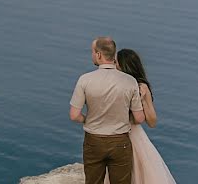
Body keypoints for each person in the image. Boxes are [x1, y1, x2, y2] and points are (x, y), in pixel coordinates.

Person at [69, 37, 145, 184]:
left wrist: (86, 119)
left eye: (92, 52)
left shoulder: (85, 79)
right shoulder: (130, 81)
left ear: (98, 55)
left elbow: (74, 115)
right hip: (120, 142)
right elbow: (140, 118)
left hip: (94, 141)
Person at [112, 49, 177, 183]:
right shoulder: (113, 84)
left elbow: (152, 122)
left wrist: (142, 101)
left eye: (116, 62)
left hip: (133, 138)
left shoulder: (142, 87)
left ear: (124, 66)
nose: (113, 65)